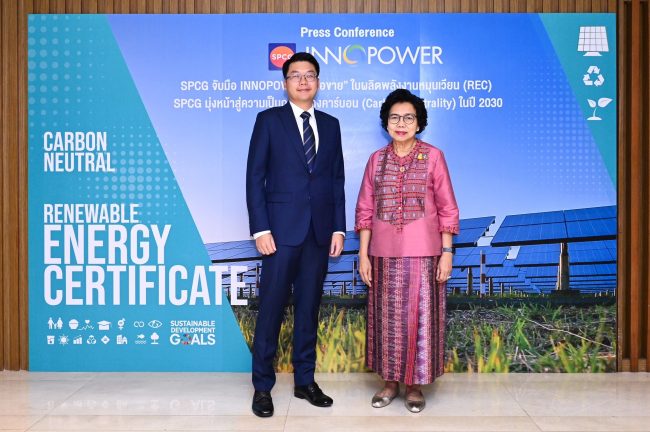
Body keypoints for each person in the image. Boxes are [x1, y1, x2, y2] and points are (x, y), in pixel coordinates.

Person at [246, 52, 346, 418]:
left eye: (310, 75)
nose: (303, 81)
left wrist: (338, 227)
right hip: (279, 232)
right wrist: (260, 228)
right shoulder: (269, 121)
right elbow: (255, 177)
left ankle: (305, 381)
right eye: (295, 75)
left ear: (318, 82)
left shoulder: (331, 125)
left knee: (308, 309)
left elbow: (336, 180)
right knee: (271, 309)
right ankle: (262, 387)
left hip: (319, 233)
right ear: (285, 82)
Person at [355, 88, 459, 413]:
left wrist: (447, 252)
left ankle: (414, 387)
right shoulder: (376, 160)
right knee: (386, 322)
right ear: (386, 122)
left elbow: (448, 208)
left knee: (418, 321)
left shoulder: (434, 157)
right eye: (395, 118)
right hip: (382, 255)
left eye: (408, 118)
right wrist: (363, 254)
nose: (401, 124)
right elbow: (365, 210)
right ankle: (389, 383)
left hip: (425, 254)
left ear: (419, 123)